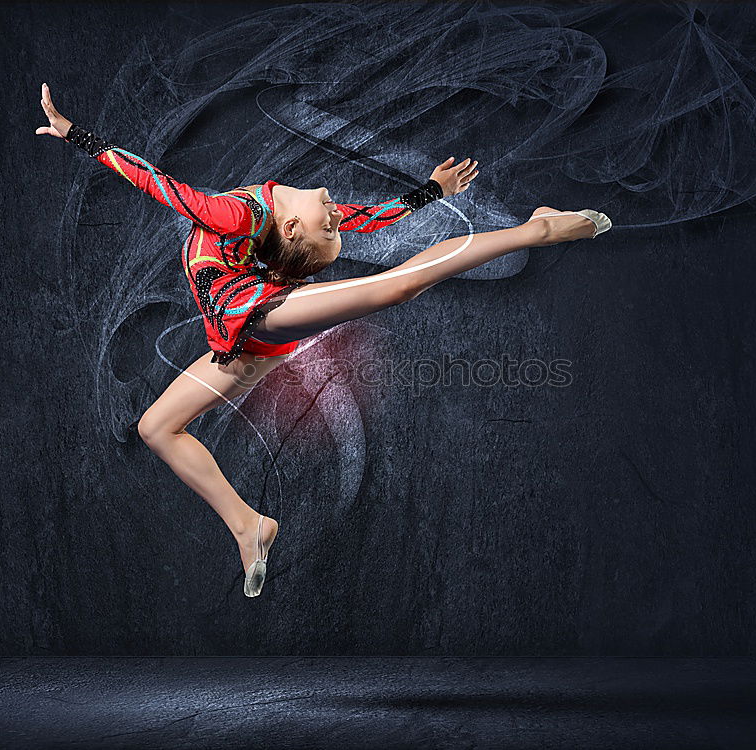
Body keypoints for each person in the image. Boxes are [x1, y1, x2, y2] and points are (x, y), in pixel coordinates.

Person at [37, 82, 610, 597]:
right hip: (239, 339)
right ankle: (249, 525)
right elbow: (363, 217)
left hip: (259, 316)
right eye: (331, 222)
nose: (336, 212)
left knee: (393, 287)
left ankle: (538, 227)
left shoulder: (240, 216)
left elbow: (162, 184)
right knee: (156, 427)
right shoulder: (258, 218)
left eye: (328, 222)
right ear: (286, 230)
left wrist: (76, 135)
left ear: (289, 230)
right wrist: (428, 193)